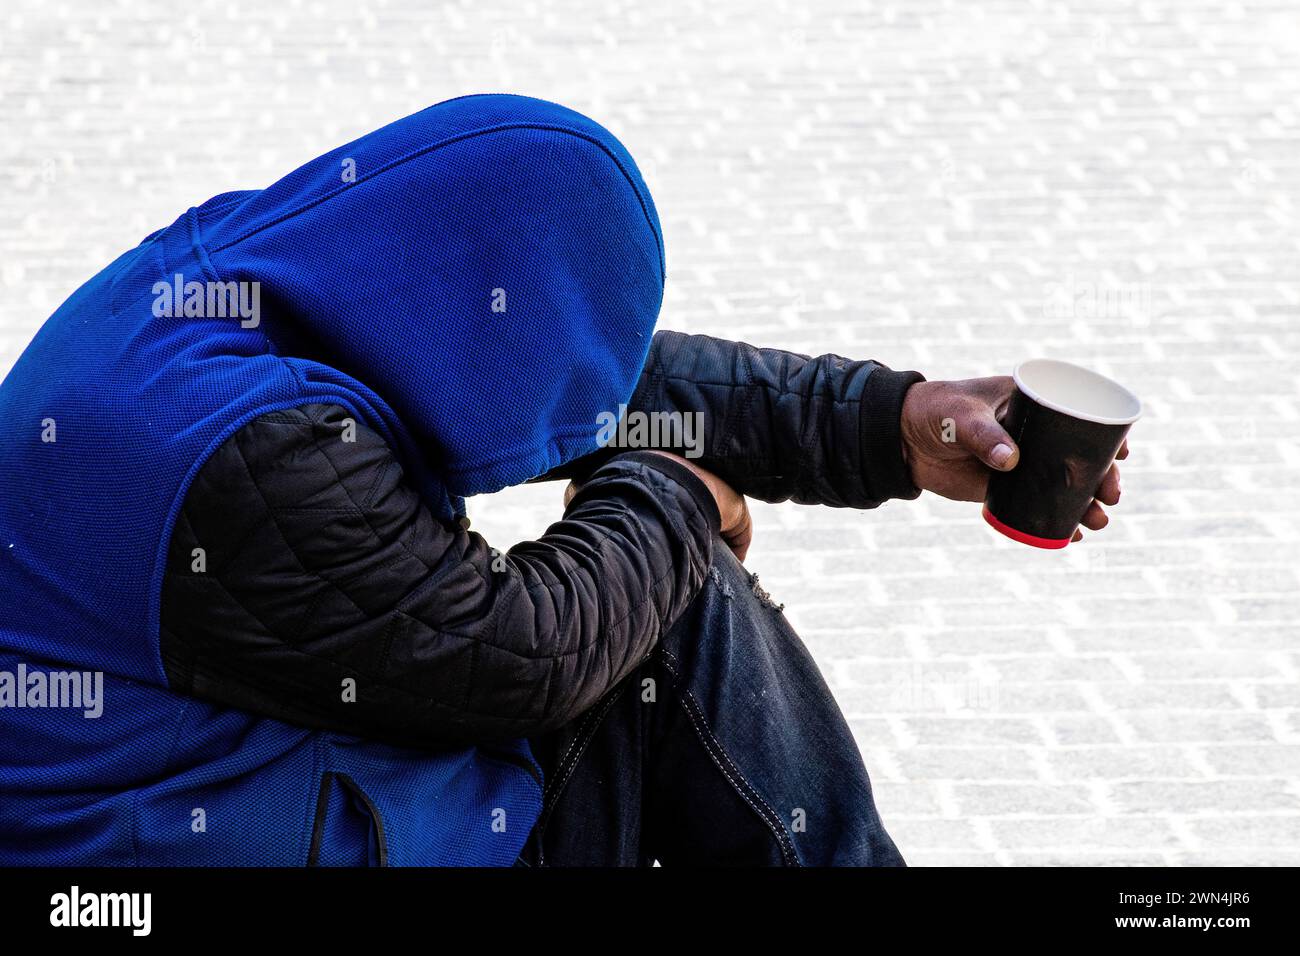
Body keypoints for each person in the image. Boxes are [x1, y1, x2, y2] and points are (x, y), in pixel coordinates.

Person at [0, 94, 1123, 866]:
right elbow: (521, 655)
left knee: (647, 576)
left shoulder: (257, 279)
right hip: (180, 840)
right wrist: (681, 502)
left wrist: (891, 423)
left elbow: (587, 370)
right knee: (665, 605)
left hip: (245, 765)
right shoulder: (264, 459)